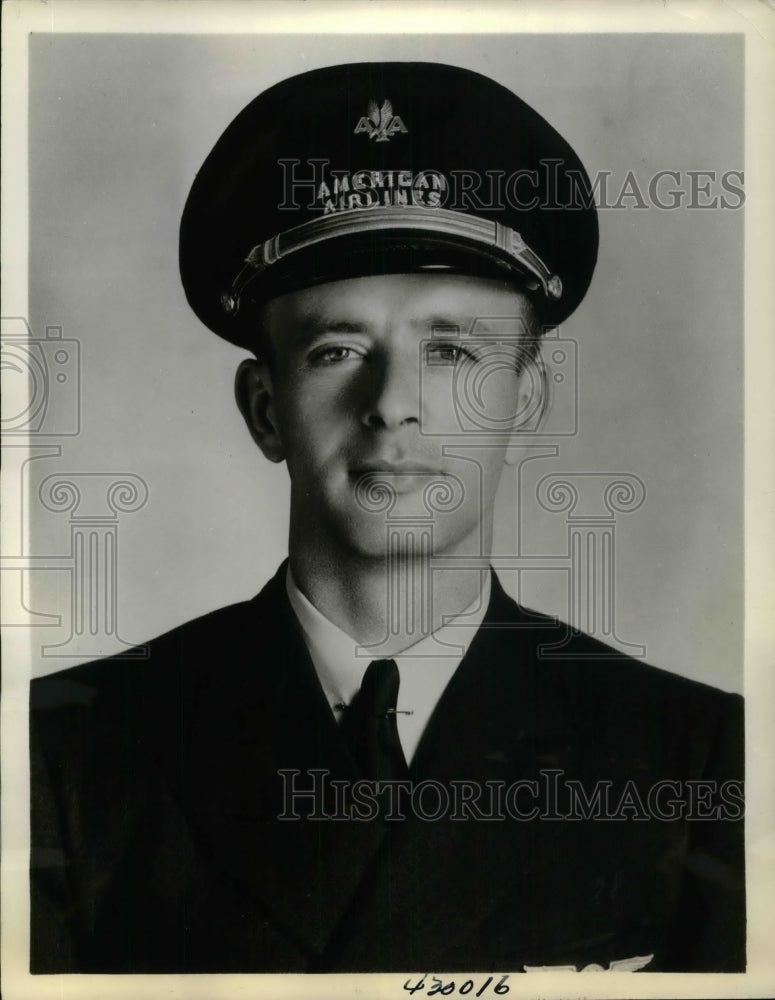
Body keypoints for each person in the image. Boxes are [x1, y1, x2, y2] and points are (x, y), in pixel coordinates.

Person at [30, 61, 744, 974]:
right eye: (337, 349)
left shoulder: (695, 761)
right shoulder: (62, 753)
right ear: (264, 408)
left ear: (526, 401)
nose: (393, 404)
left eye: (450, 350)